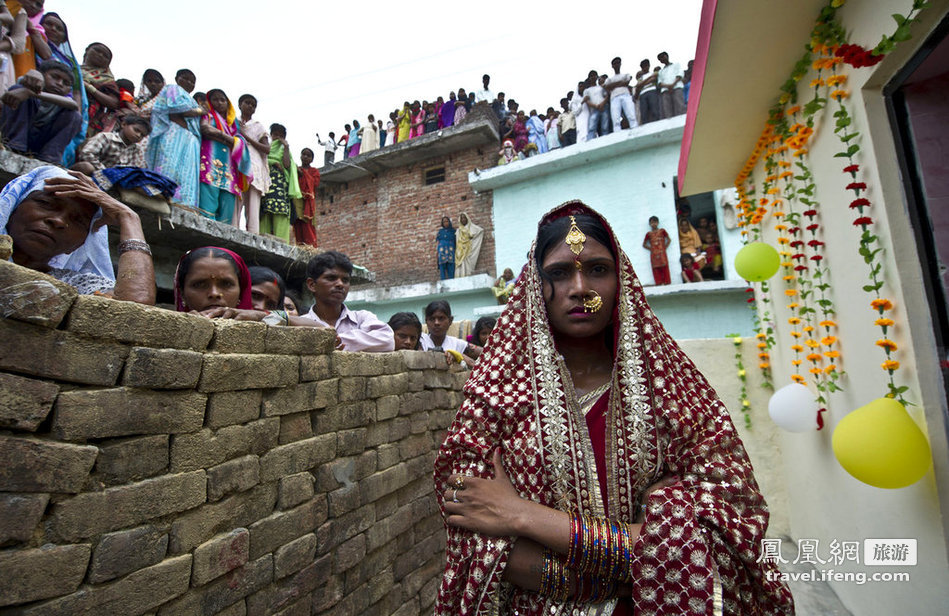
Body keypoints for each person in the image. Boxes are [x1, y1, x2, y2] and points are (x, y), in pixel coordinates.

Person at [433, 201, 794, 615]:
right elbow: (471, 525)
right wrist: (636, 559)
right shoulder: (493, 397)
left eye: (598, 269)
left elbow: (725, 531)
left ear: (620, 280)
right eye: (559, 272)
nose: (580, 288)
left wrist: (522, 516)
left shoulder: (675, 394)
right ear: (535, 286)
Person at [1, 165, 155, 304]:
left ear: (80, 243)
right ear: (12, 207)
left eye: (78, 220)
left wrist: (128, 217)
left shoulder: (72, 284)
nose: (58, 221)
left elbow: (135, 306)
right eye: (46, 204)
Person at [174, 246, 316, 326]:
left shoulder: (259, 321)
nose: (214, 293)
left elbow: (322, 329)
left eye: (226, 284)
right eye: (199, 284)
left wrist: (260, 315)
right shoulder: (171, 327)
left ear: (241, 292)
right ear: (182, 292)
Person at [299, 250, 394, 352]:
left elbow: (387, 340)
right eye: (331, 278)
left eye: (345, 280)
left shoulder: (362, 318)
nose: (340, 284)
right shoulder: (300, 324)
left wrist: (334, 340)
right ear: (312, 285)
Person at [145, 68, 204, 209]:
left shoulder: (192, 100)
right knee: (169, 164)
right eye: (186, 78)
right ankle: (162, 198)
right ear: (177, 78)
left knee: (187, 172)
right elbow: (177, 109)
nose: (189, 82)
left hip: (191, 138)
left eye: (192, 81)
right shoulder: (172, 88)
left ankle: (185, 205)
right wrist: (199, 111)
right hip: (174, 132)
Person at [0, 59, 79, 162]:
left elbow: (74, 105)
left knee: (75, 116)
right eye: (55, 77)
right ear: (41, 76)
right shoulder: (26, 84)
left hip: (39, 145)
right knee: (16, 89)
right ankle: (15, 146)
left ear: (69, 90)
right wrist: (29, 90)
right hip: (17, 137)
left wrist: (29, 93)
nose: (60, 84)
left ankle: (49, 158)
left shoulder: (65, 103)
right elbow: (22, 84)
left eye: (66, 83)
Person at [36, 12, 86, 166]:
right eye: (48, 24)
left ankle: (50, 159)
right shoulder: (29, 42)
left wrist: (77, 115)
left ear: (64, 37)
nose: (53, 29)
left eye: (59, 28)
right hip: (31, 100)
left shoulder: (69, 63)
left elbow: (76, 92)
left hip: (59, 109)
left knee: (74, 117)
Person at [198, 88, 252, 222]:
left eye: (223, 100)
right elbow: (205, 129)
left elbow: (240, 141)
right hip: (210, 163)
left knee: (227, 207)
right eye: (215, 99)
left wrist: (220, 136)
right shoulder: (208, 116)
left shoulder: (233, 125)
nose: (219, 103)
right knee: (207, 205)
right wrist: (228, 138)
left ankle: (220, 242)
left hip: (229, 169)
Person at [234, 93, 270, 233]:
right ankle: (233, 229)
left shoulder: (258, 127)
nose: (250, 106)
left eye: (253, 105)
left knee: (253, 203)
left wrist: (246, 136)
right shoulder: (233, 121)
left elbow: (267, 149)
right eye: (247, 103)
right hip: (236, 163)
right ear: (240, 104)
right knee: (236, 198)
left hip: (254, 166)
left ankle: (253, 233)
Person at [259, 123, 299, 243]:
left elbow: (287, 165)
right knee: (264, 214)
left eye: (281, 136)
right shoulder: (266, 148)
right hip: (266, 187)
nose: (278, 138)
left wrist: (286, 147)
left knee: (280, 217)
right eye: (275, 135)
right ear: (270, 135)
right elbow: (261, 160)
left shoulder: (284, 149)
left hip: (280, 191)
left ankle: (283, 245)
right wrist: (273, 163)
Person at [73, 113, 149, 173]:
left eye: (142, 135)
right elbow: (86, 154)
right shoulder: (105, 137)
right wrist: (106, 172)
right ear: (124, 124)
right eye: (136, 130)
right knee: (86, 167)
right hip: (96, 172)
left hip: (115, 181)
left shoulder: (136, 150)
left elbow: (133, 169)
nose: (138, 135)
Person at [419, 300, 480, 367]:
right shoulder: (421, 340)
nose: (436, 323)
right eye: (432, 319)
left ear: (450, 320)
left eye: (441, 318)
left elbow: (488, 353)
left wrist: (459, 356)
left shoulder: (456, 343)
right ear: (426, 321)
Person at [79, 42, 120, 137]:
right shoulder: (72, 68)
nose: (100, 55)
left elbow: (114, 103)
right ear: (86, 52)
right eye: (97, 50)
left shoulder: (108, 81)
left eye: (105, 56)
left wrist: (90, 88)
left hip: (88, 119)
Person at [295, 147, 319, 247]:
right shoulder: (296, 170)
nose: (305, 157)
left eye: (308, 155)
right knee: (298, 222)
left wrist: (303, 174)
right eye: (303, 154)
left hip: (308, 201)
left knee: (307, 224)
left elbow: (315, 183)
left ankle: (311, 246)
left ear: (312, 159)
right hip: (298, 199)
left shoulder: (314, 171)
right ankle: (300, 244)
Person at [605, 57, 637, 132]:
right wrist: (621, 83)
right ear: (612, 66)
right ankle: (617, 133)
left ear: (620, 64)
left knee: (631, 115)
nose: (616, 65)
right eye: (615, 64)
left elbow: (626, 82)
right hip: (614, 98)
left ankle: (635, 130)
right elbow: (607, 86)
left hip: (626, 95)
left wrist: (614, 85)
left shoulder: (625, 75)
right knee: (616, 118)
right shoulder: (609, 79)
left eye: (618, 63)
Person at [642, 215, 671, 286]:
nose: (653, 224)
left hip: (662, 252)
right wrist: (651, 249)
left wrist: (664, 247)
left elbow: (669, 240)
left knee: (664, 266)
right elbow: (644, 244)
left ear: (658, 223)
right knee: (656, 267)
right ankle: (658, 283)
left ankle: (667, 282)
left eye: (655, 222)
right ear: (649, 224)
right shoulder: (648, 234)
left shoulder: (662, 231)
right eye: (651, 223)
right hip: (654, 253)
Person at [453, 212, 484, 278]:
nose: (463, 219)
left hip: (468, 249)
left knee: (467, 263)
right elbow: (457, 241)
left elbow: (480, 231)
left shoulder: (471, 227)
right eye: (462, 218)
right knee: (460, 264)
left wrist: (471, 239)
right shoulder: (458, 230)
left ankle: (467, 274)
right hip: (460, 250)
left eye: (464, 218)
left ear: (467, 218)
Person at [657, 51, 686, 118]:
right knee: (668, 110)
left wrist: (672, 85)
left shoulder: (676, 65)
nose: (662, 59)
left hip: (677, 87)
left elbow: (679, 75)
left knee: (680, 106)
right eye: (660, 59)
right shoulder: (661, 71)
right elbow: (660, 83)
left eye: (662, 57)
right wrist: (668, 86)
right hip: (665, 91)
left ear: (667, 56)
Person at [634, 58, 660, 125]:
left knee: (654, 110)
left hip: (652, 91)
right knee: (644, 113)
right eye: (643, 66)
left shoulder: (654, 73)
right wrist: (649, 79)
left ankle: (657, 124)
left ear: (649, 65)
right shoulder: (641, 78)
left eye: (646, 65)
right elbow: (638, 85)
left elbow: (654, 79)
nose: (645, 67)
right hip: (642, 94)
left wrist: (642, 84)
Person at [584, 74, 609, 140]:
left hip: (603, 107)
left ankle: (605, 140)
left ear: (597, 77)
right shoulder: (587, 90)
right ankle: (590, 141)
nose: (593, 77)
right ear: (589, 78)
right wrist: (595, 106)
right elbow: (587, 101)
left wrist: (602, 104)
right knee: (592, 127)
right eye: (591, 76)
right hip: (594, 109)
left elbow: (606, 96)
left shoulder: (601, 87)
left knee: (605, 126)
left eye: (594, 75)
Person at [436, 216, 455, 280]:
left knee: (451, 267)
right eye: (444, 222)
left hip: (451, 251)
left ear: (449, 222)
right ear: (442, 223)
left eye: (447, 221)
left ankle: (452, 282)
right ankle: (443, 282)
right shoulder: (440, 232)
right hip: (442, 252)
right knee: (442, 267)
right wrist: (437, 252)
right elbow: (438, 242)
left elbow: (456, 242)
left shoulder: (453, 231)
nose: (445, 223)